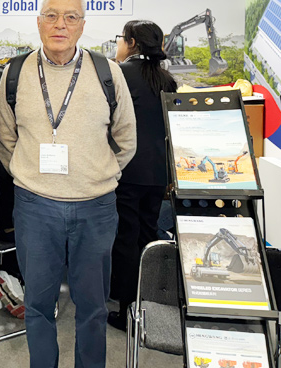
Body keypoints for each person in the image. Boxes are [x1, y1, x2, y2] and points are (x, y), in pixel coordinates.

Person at [0, 0, 137, 368]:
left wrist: (96, 176)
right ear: (38, 22)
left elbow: (126, 139)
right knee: (38, 305)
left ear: (82, 26)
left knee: (93, 307)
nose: (61, 24)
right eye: (52, 15)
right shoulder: (15, 73)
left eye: (71, 17)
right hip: (35, 207)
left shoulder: (108, 73)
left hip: (95, 207)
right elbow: (5, 139)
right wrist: (30, 177)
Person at [107, 20, 178, 331]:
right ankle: (146, 307)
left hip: (127, 170)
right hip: (158, 172)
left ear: (132, 42)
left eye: (121, 39)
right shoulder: (167, 80)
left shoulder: (119, 74)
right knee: (148, 237)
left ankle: (126, 310)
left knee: (125, 238)